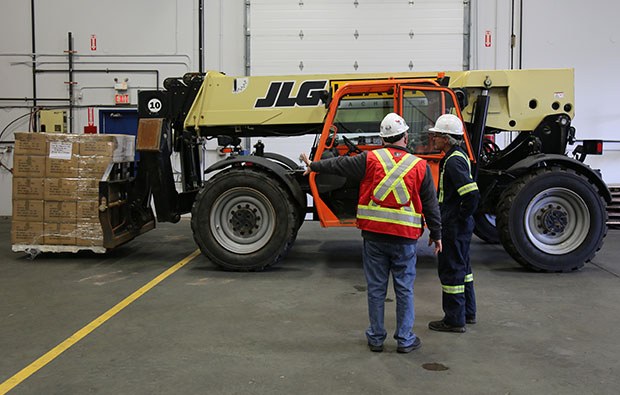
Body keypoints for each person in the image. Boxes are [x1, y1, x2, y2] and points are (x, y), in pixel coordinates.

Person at [301, 113, 442, 353]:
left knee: (376, 289)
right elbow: (430, 203)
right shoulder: (420, 166)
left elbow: (338, 165)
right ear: (405, 136)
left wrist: (313, 165)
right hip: (405, 238)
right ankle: (405, 339)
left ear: (382, 138)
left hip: (374, 237)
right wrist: (436, 234)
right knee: (404, 289)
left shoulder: (369, 159)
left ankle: (376, 338)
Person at [427, 114, 480, 333]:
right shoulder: (458, 156)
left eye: (437, 136)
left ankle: (454, 320)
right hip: (458, 225)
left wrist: (455, 218)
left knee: (452, 272)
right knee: (463, 269)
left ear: (446, 139)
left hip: (454, 226)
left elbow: (471, 194)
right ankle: (468, 312)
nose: (434, 139)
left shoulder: (453, 160)